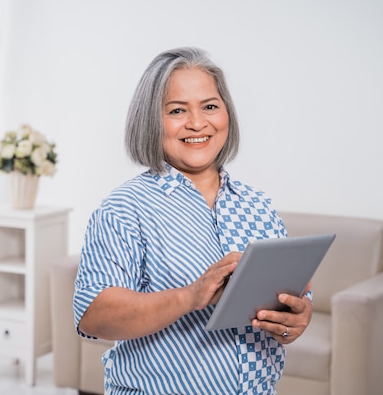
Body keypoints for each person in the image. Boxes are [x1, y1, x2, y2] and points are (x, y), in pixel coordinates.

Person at [73, 47, 313, 395]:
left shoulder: (258, 206)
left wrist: (295, 320)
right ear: (151, 120)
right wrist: (190, 296)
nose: (197, 123)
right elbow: (93, 315)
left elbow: (292, 307)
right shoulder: (124, 208)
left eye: (210, 106)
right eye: (177, 110)